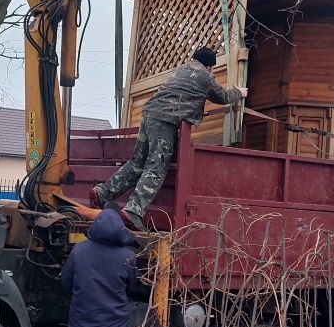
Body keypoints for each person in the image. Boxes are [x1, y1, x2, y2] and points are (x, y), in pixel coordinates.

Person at [90, 46, 247, 229]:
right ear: (210, 66)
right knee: (157, 167)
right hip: (165, 121)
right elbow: (222, 96)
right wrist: (239, 93)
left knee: (137, 163)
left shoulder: (179, 70)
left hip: (148, 114)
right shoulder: (204, 76)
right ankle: (134, 210)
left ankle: (102, 192)